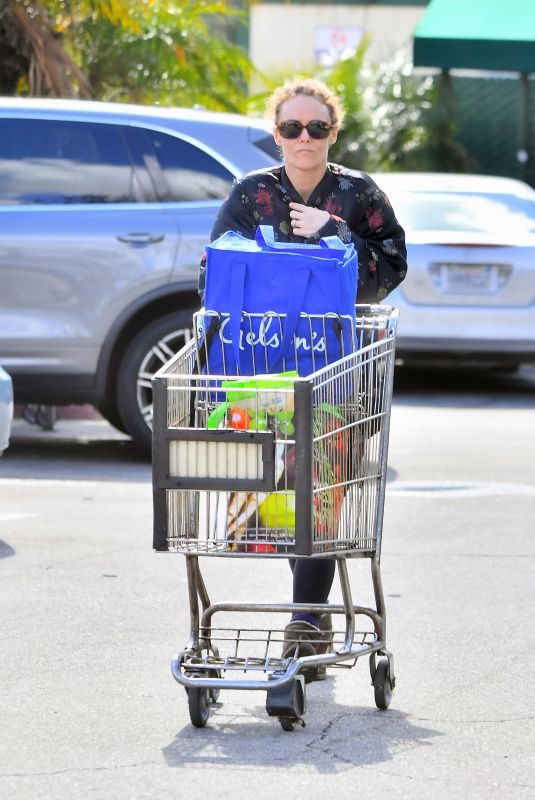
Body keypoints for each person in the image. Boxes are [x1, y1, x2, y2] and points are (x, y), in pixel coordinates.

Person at [198, 77, 407, 682]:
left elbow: (392, 264)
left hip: (342, 369)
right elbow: (217, 270)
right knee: (282, 481)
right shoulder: (251, 195)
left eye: (317, 127)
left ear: (332, 133)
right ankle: (309, 619)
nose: (304, 138)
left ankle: (306, 619)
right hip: (262, 370)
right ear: (277, 133)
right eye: (292, 127)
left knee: (316, 468)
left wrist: (336, 235)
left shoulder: (357, 194)